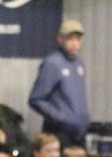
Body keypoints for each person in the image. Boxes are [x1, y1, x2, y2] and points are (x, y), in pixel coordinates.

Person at [28, 19, 89, 148]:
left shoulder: (79, 64)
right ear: (60, 39)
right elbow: (36, 99)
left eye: (78, 39)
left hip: (78, 131)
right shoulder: (52, 64)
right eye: (70, 38)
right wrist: (61, 118)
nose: (74, 43)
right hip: (59, 132)